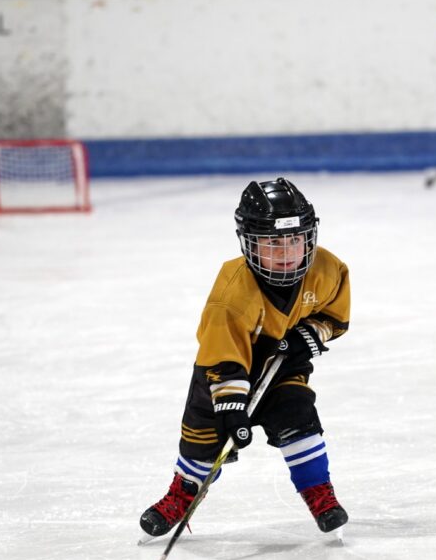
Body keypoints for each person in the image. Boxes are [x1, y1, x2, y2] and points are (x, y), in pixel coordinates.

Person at [140, 178, 351, 538]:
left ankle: (320, 493)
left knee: (298, 417)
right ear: (250, 243)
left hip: (284, 363)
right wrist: (231, 406)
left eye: (294, 240)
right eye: (273, 243)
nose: (286, 251)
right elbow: (222, 355)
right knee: (204, 440)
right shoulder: (232, 293)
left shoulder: (328, 269)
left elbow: (335, 317)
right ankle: (182, 494)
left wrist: (310, 334)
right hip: (223, 371)